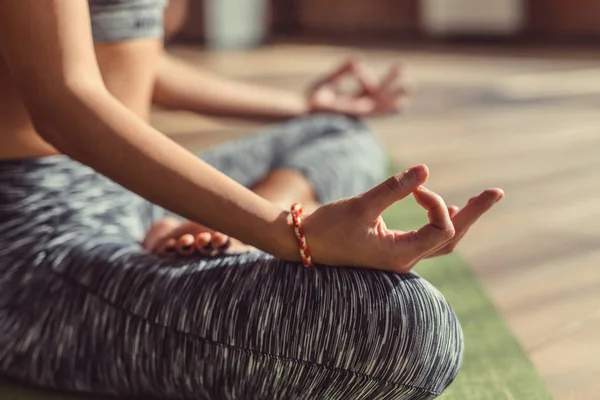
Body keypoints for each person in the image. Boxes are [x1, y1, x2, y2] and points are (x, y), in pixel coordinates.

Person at [0, 1, 503, 399]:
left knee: (336, 129)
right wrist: (282, 231)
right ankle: (239, 232)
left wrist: (304, 107)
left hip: (126, 187)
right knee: (413, 333)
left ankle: (223, 234)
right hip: (34, 236)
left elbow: (134, 59)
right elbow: (64, 100)